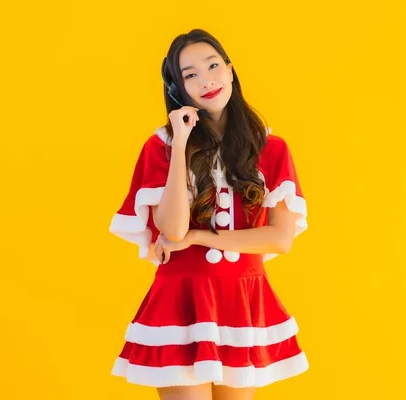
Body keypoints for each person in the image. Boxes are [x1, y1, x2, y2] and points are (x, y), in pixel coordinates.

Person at [108, 28, 309, 400]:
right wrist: (181, 141)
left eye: (213, 65)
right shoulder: (162, 147)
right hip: (180, 297)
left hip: (242, 299)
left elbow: (280, 239)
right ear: (178, 89)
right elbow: (172, 228)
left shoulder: (271, 148)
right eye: (190, 75)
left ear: (230, 71)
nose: (206, 80)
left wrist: (200, 238)